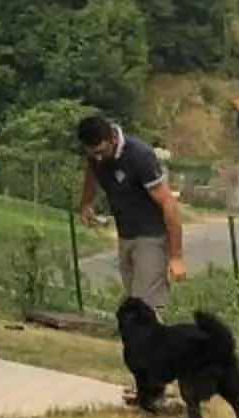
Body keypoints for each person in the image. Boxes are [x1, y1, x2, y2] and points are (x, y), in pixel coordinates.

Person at [76, 112, 186, 395]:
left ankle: (160, 384)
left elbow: (169, 205)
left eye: (100, 151)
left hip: (152, 237)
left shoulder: (139, 156)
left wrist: (175, 256)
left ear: (112, 139)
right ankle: (148, 381)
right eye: (91, 153)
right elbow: (92, 175)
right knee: (135, 312)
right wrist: (86, 203)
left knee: (147, 311)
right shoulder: (96, 157)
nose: (97, 158)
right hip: (126, 236)